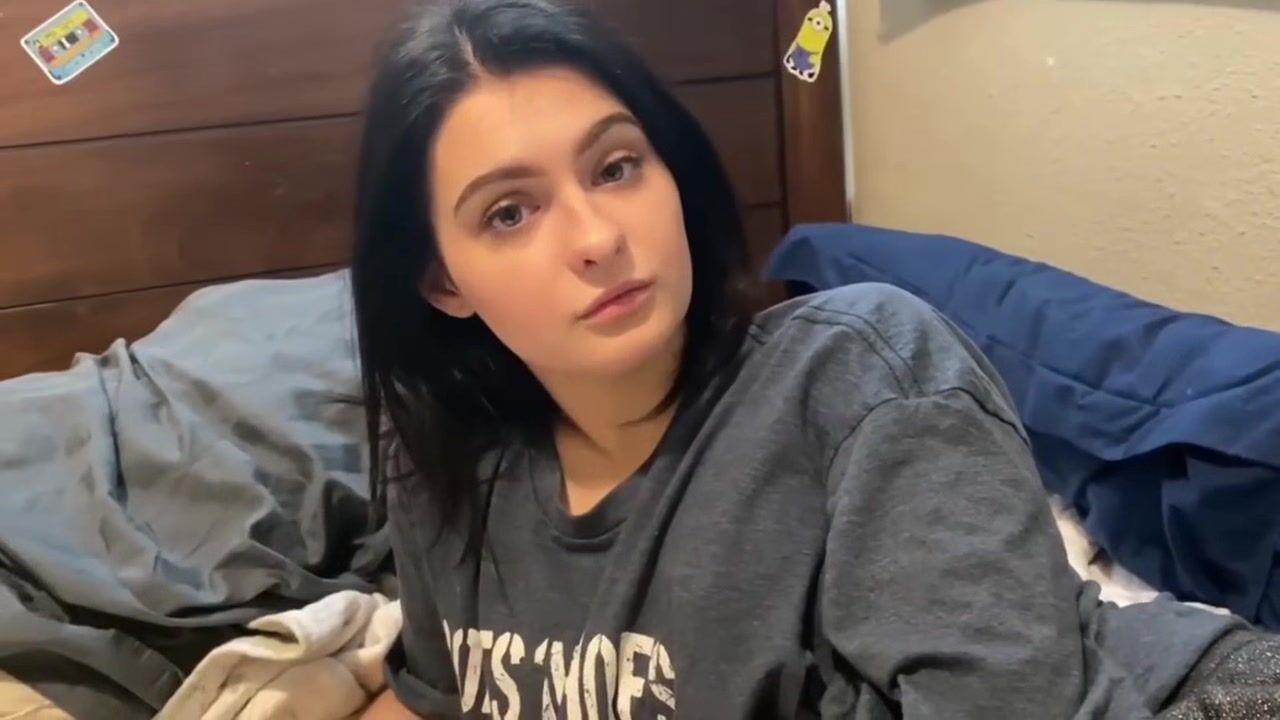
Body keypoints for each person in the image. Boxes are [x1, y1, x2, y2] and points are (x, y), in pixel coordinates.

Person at [352, 1, 1279, 717]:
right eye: (509, 213)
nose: (597, 236)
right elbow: (431, 700)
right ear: (441, 280)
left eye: (617, 166)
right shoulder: (446, 474)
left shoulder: (861, 378)